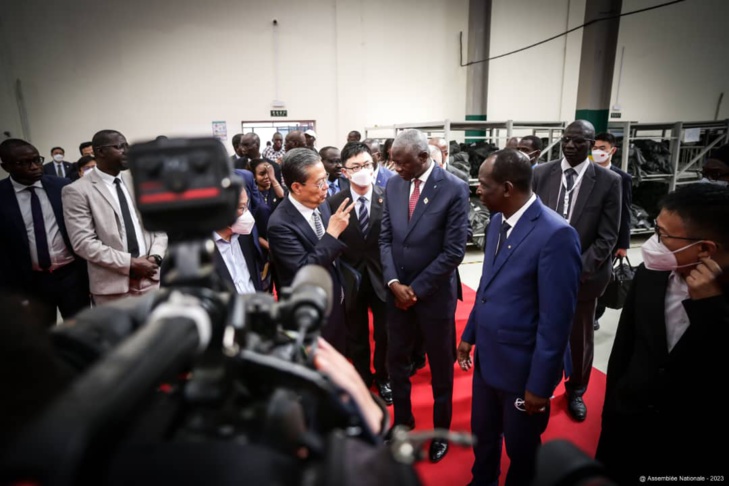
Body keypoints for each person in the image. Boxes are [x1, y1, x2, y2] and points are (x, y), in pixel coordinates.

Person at [457, 149, 582, 486]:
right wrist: (470, 333)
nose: (477, 190)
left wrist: (540, 385)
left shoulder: (556, 235)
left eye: (483, 185)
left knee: (521, 447)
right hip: (489, 360)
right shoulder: (497, 222)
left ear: (508, 188)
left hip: (522, 368)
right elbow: (488, 284)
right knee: (483, 434)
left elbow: (557, 320)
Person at [595, 183, 728, 483]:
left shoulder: (719, 306)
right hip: (629, 425)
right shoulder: (650, 275)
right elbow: (624, 350)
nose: (653, 243)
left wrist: (711, 309)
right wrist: (611, 413)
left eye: (663, 235)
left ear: (706, 248)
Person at [380, 129, 470, 463]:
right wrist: (392, 282)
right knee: (397, 362)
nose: (395, 167)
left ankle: (440, 432)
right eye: (393, 160)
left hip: (433, 298)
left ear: (422, 157)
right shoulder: (393, 184)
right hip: (396, 293)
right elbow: (386, 238)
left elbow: (453, 252)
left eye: (402, 162)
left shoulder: (454, 189)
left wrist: (414, 290)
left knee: (441, 370)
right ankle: (402, 422)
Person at [532, 120, 621, 422]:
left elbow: (607, 237)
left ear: (592, 143)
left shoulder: (609, 181)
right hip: (541, 273)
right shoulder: (540, 174)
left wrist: (574, 271)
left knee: (579, 338)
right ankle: (541, 386)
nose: (570, 145)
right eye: (567, 140)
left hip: (583, 278)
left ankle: (577, 391)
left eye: (579, 141)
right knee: (541, 331)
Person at [62, 129, 168, 305]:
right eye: (120, 147)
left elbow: (159, 225)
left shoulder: (137, 181)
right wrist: (131, 263)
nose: (127, 151)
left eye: (127, 146)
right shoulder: (77, 190)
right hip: (112, 286)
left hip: (151, 278)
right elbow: (83, 242)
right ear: (100, 152)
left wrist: (155, 257)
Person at [266, 148, 355, 353]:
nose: (325, 187)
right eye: (319, 183)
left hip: (336, 300)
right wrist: (332, 234)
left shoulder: (321, 205)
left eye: (325, 179)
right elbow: (303, 270)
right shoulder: (280, 223)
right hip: (309, 313)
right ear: (296, 187)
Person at [0, 139, 90, 327]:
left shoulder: (62, 186)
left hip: (71, 276)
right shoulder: (2, 195)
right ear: (5, 166)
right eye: (23, 163)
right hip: (31, 282)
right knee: (41, 337)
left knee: (81, 332)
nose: (34, 167)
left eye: (36, 160)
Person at [328, 142, 391, 405]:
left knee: (385, 332)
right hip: (351, 277)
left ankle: (384, 377)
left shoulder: (387, 197)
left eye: (366, 165)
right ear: (345, 172)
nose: (362, 170)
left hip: (383, 277)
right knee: (356, 332)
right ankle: (363, 376)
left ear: (374, 165)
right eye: (355, 167)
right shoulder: (333, 202)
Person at [592, 132, 633, 331]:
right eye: (595, 148)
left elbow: (625, 211)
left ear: (612, 150)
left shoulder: (621, 178)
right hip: (586, 234)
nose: (597, 152)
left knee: (603, 278)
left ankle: (596, 314)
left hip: (608, 237)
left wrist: (623, 244)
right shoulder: (587, 172)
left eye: (602, 148)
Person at [212, 185, 264, 294]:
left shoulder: (245, 234)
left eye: (247, 205)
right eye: (241, 208)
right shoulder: (202, 249)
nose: (246, 213)